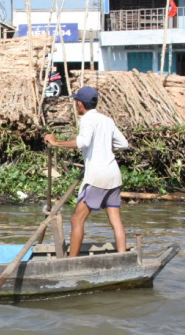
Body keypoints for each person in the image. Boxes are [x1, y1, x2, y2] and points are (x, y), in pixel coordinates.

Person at [43, 86, 129, 257]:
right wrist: (104, 148)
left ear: (80, 104)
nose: (76, 105)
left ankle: (71, 261)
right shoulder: (106, 119)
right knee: (115, 219)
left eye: (76, 102)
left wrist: (56, 142)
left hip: (98, 176)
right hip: (113, 174)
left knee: (77, 219)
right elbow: (123, 144)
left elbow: (82, 142)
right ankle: (123, 256)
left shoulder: (87, 120)